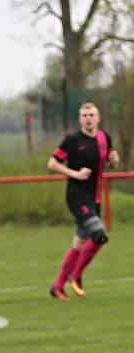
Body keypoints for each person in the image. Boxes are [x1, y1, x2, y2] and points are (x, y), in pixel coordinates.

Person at [47, 102, 119, 301]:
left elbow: (109, 164)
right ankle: (76, 276)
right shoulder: (72, 140)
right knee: (99, 235)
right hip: (77, 197)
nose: (88, 118)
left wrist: (114, 161)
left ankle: (58, 286)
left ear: (98, 118)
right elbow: (52, 163)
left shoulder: (105, 138)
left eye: (91, 114)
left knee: (79, 244)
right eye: (84, 115)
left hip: (94, 198)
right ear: (80, 119)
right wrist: (75, 174)